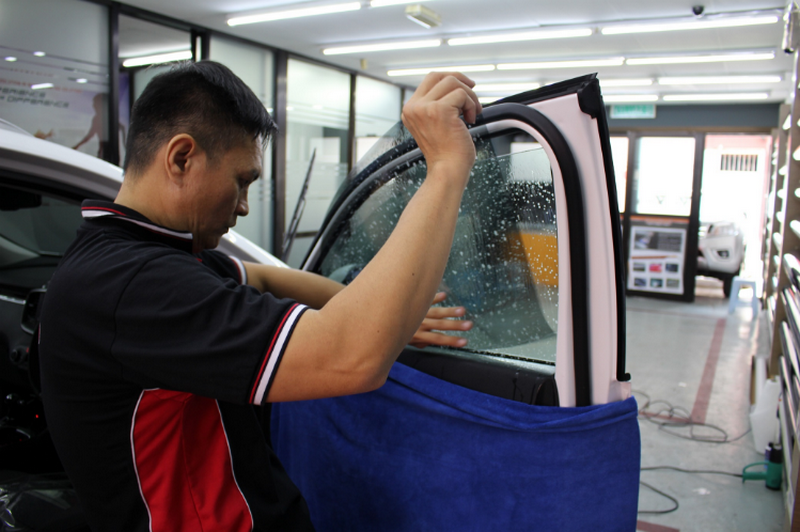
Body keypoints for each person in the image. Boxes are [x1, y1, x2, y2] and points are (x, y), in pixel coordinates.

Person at [38, 60, 481, 531]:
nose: (245, 206)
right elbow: (353, 356)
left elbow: (264, 279)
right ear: (182, 158)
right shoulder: (131, 286)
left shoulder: (144, 255)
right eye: (242, 181)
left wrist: (387, 313)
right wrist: (445, 168)